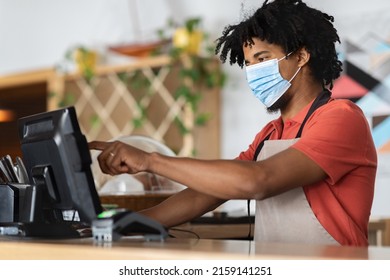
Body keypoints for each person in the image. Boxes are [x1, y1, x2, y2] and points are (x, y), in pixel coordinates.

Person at [89, 0, 377, 246]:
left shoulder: (341, 117)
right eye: (249, 63)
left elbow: (258, 180)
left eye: (262, 58)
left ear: (301, 55)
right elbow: (211, 191)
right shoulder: (270, 134)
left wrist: (150, 161)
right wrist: (127, 222)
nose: (253, 72)